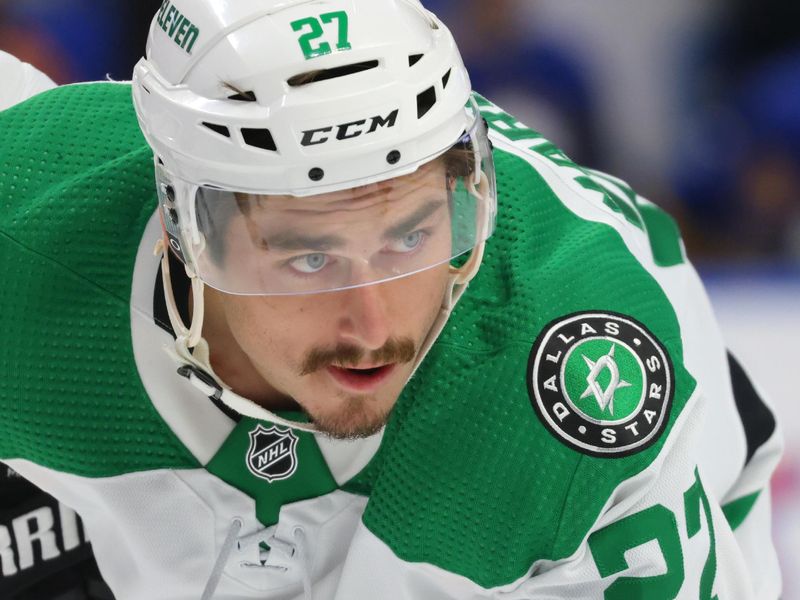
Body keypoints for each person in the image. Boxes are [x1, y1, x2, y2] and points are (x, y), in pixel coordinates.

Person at [0, 1, 783, 599]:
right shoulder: (25, 221)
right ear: (185, 229)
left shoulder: (571, 387)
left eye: (411, 237)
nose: (373, 327)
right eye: (309, 258)